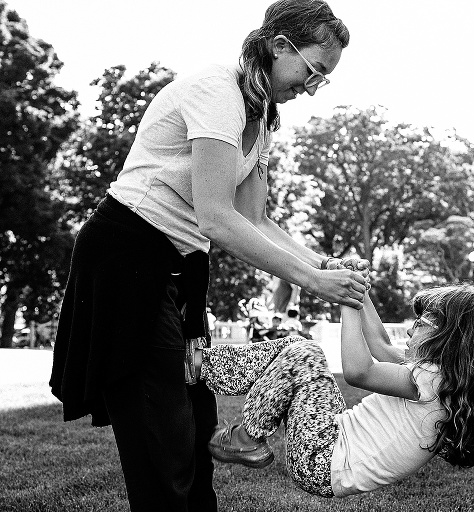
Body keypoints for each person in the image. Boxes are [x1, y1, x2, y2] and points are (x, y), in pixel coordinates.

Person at [49, 2, 367, 511]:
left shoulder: (262, 119)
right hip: (127, 256)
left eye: (322, 81)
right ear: (279, 46)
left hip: (180, 266)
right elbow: (216, 218)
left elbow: (255, 220)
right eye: (313, 71)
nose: (312, 88)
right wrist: (310, 280)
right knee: (162, 431)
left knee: (197, 421)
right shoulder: (218, 91)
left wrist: (321, 264)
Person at [186, 284, 474, 498]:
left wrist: (346, 302)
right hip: (327, 450)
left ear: (454, 341)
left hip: (324, 459)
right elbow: (379, 344)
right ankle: (203, 366)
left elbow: (359, 371)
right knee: (294, 350)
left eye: (425, 322)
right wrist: (359, 292)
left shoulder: (434, 380)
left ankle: (240, 427)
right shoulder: (440, 381)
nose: (415, 325)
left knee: (305, 354)